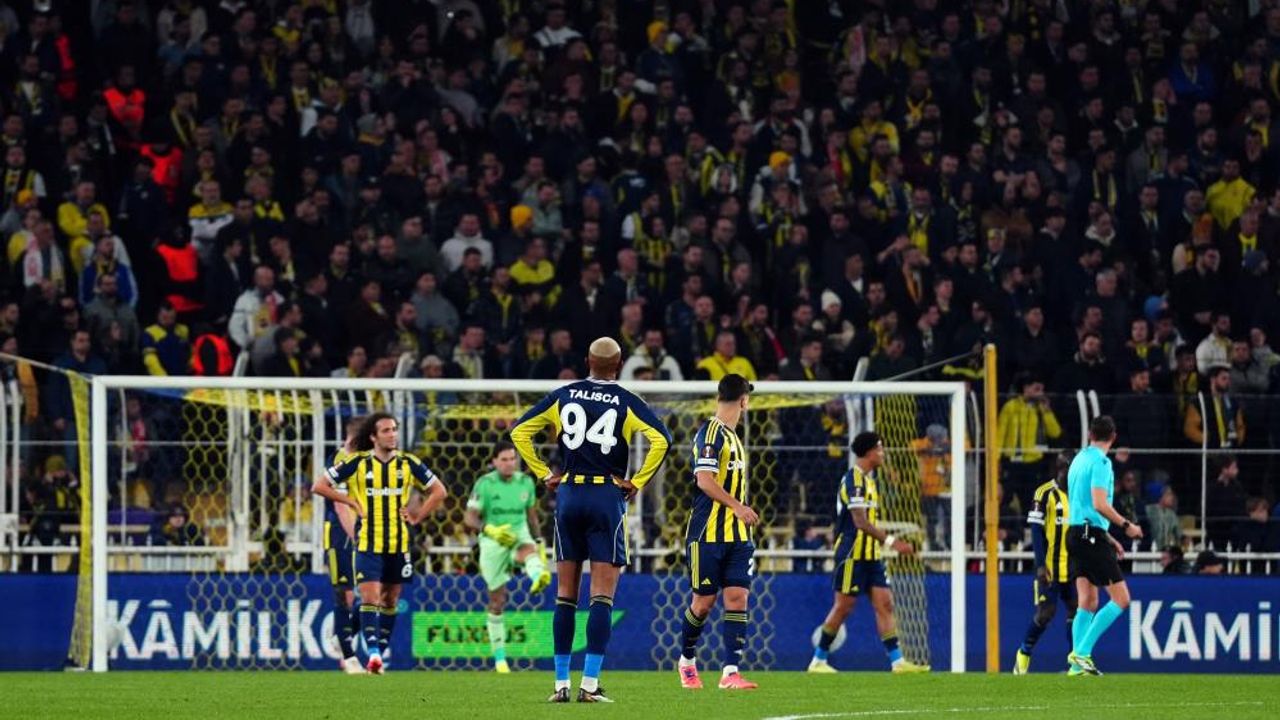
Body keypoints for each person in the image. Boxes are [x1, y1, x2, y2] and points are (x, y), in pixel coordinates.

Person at [509, 337, 672, 703]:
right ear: (620, 365)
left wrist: (543, 473)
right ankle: (589, 685)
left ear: (587, 361)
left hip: (568, 495)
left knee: (565, 595)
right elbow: (662, 439)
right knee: (601, 596)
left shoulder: (563, 394)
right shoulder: (627, 400)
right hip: (605, 497)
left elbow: (519, 431)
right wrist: (637, 482)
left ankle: (560, 685)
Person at [311, 412, 448, 674]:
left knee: (390, 599)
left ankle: (371, 649)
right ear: (373, 437)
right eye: (386, 430)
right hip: (367, 541)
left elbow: (439, 491)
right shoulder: (357, 463)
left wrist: (417, 516)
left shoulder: (408, 463)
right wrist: (350, 502)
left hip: (399, 542)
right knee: (369, 597)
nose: (392, 434)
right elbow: (319, 486)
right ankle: (373, 655)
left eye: (394, 429)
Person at [808, 432, 929, 674]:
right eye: (880, 449)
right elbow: (860, 522)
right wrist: (893, 542)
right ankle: (818, 660)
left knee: (885, 604)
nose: (883, 454)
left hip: (871, 555)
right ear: (870, 452)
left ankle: (897, 662)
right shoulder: (853, 481)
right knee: (843, 607)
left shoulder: (869, 482)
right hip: (852, 554)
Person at [677, 374, 760, 691]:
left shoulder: (733, 437)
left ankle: (730, 672)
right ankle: (686, 660)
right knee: (703, 603)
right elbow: (704, 480)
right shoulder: (711, 433)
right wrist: (737, 506)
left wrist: (738, 511)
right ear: (744, 400)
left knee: (738, 597)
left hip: (738, 536)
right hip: (706, 533)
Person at [1065, 416, 1143, 676]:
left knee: (1087, 601)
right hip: (1090, 536)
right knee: (1121, 599)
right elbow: (1099, 503)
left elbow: (1082, 505)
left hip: (1076, 533)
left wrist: (1108, 537)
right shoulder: (1101, 462)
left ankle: (1076, 667)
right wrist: (1126, 525)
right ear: (1114, 437)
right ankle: (1082, 652)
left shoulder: (1079, 459)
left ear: (1090, 435)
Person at [464, 441, 551, 674]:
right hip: (493, 541)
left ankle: (538, 575)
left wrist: (539, 541)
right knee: (497, 600)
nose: (509, 463)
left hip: (518, 533)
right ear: (494, 461)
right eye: (504, 459)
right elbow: (469, 518)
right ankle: (500, 659)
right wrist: (489, 530)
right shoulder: (485, 484)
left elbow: (532, 516)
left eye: (513, 459)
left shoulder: (526, 482)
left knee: (527, 550)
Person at [1014, 452, 1077, 675]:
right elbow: (1036, 531)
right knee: (1046, 613)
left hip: (1073, 566)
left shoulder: (1079, 493)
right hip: (1050, 566)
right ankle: (1024, 652)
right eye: (1070, 469)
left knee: (1076, 610)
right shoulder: (1044, 493)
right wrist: (1041, 565)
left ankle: (1075, 663)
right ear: (1061, 469)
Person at [320, 417, 363, 674]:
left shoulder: (363, 462)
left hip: (362, 532)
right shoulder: (339, 461)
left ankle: (342, 638)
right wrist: (356, 539)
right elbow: (340, 505)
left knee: (376, 593)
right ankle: (348, 657)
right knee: (345, 594)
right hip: (340, 535)